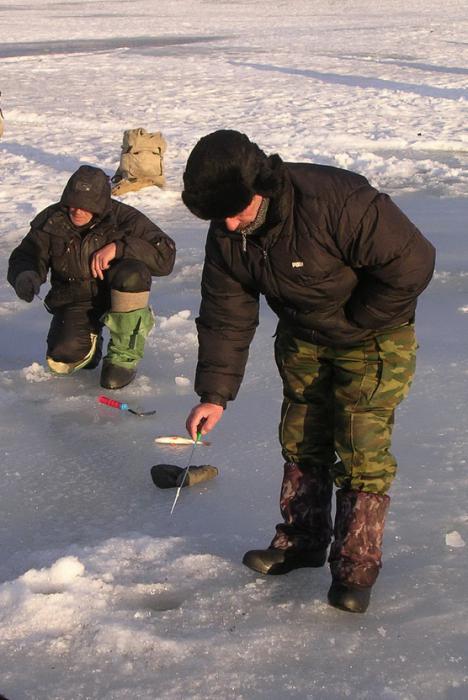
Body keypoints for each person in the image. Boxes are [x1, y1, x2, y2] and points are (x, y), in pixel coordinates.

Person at [181, 130, 435, 613]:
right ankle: (302, 541)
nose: (230, 225)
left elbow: (414, 262)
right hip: (303, 337)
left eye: (237, 211)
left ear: (261, 187)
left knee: (361, 446)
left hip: (374, 335)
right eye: (220, 216)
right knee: (301, 437)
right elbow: (225, 313)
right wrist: (214, 393)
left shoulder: (334, 202)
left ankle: (356, 566)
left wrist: (358, 321)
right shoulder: (228, 231)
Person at [8, 165, 175, 389]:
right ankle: (90, 339)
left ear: (100, 205)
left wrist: (120, 247)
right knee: (63, 359)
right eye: (73, 205)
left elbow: (165, 257)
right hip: (75, 297)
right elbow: (27, 255)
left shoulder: (124, 218)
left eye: (86, 206)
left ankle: (124, 355)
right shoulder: (51, 220)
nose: (77, 211)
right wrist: (25, 275)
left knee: (132, 274)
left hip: (117, 292)